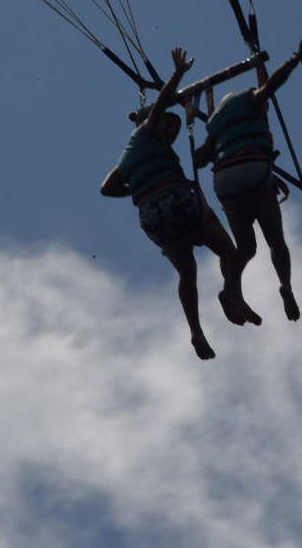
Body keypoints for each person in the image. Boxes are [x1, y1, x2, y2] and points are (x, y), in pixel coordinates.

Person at [101, 48, 261, 360]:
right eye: (169, 127)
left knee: (187, 271)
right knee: (228, 249)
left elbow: (107, 189)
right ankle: (233, 293)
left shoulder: (128, 156)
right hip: (177, 206)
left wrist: (139, 193)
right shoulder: (148, 132)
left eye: (176, 130)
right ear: (153, 123)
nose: (172, 133)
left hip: (153, 221)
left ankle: (196, 333)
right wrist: (177, 74)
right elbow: (160, 104)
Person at [194, 38, 302, 322]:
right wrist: (296, 58)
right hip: (254, 175)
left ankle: (230, 290)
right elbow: (271, 86)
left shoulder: (216, 127)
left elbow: (198, 159)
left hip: (225, 186)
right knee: (275, 240)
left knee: (246, 248)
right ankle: (285, 286)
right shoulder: (250, 100)